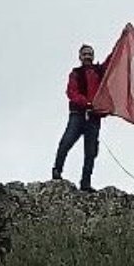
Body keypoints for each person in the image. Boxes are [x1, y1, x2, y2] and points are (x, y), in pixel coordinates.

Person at [52, 44, 108, 191]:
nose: (87, 56)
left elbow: (112, 61)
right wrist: (87, 103)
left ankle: (85, 183)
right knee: (66, 142)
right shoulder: (75, 73)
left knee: (91, 152)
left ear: (93, 56)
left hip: (94, 118)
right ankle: (57, 171)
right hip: (78, 115)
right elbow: (71, 92)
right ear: (80, 57)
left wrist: (124, 37)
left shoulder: (100, 72)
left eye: (89, 53)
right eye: (85, 54)